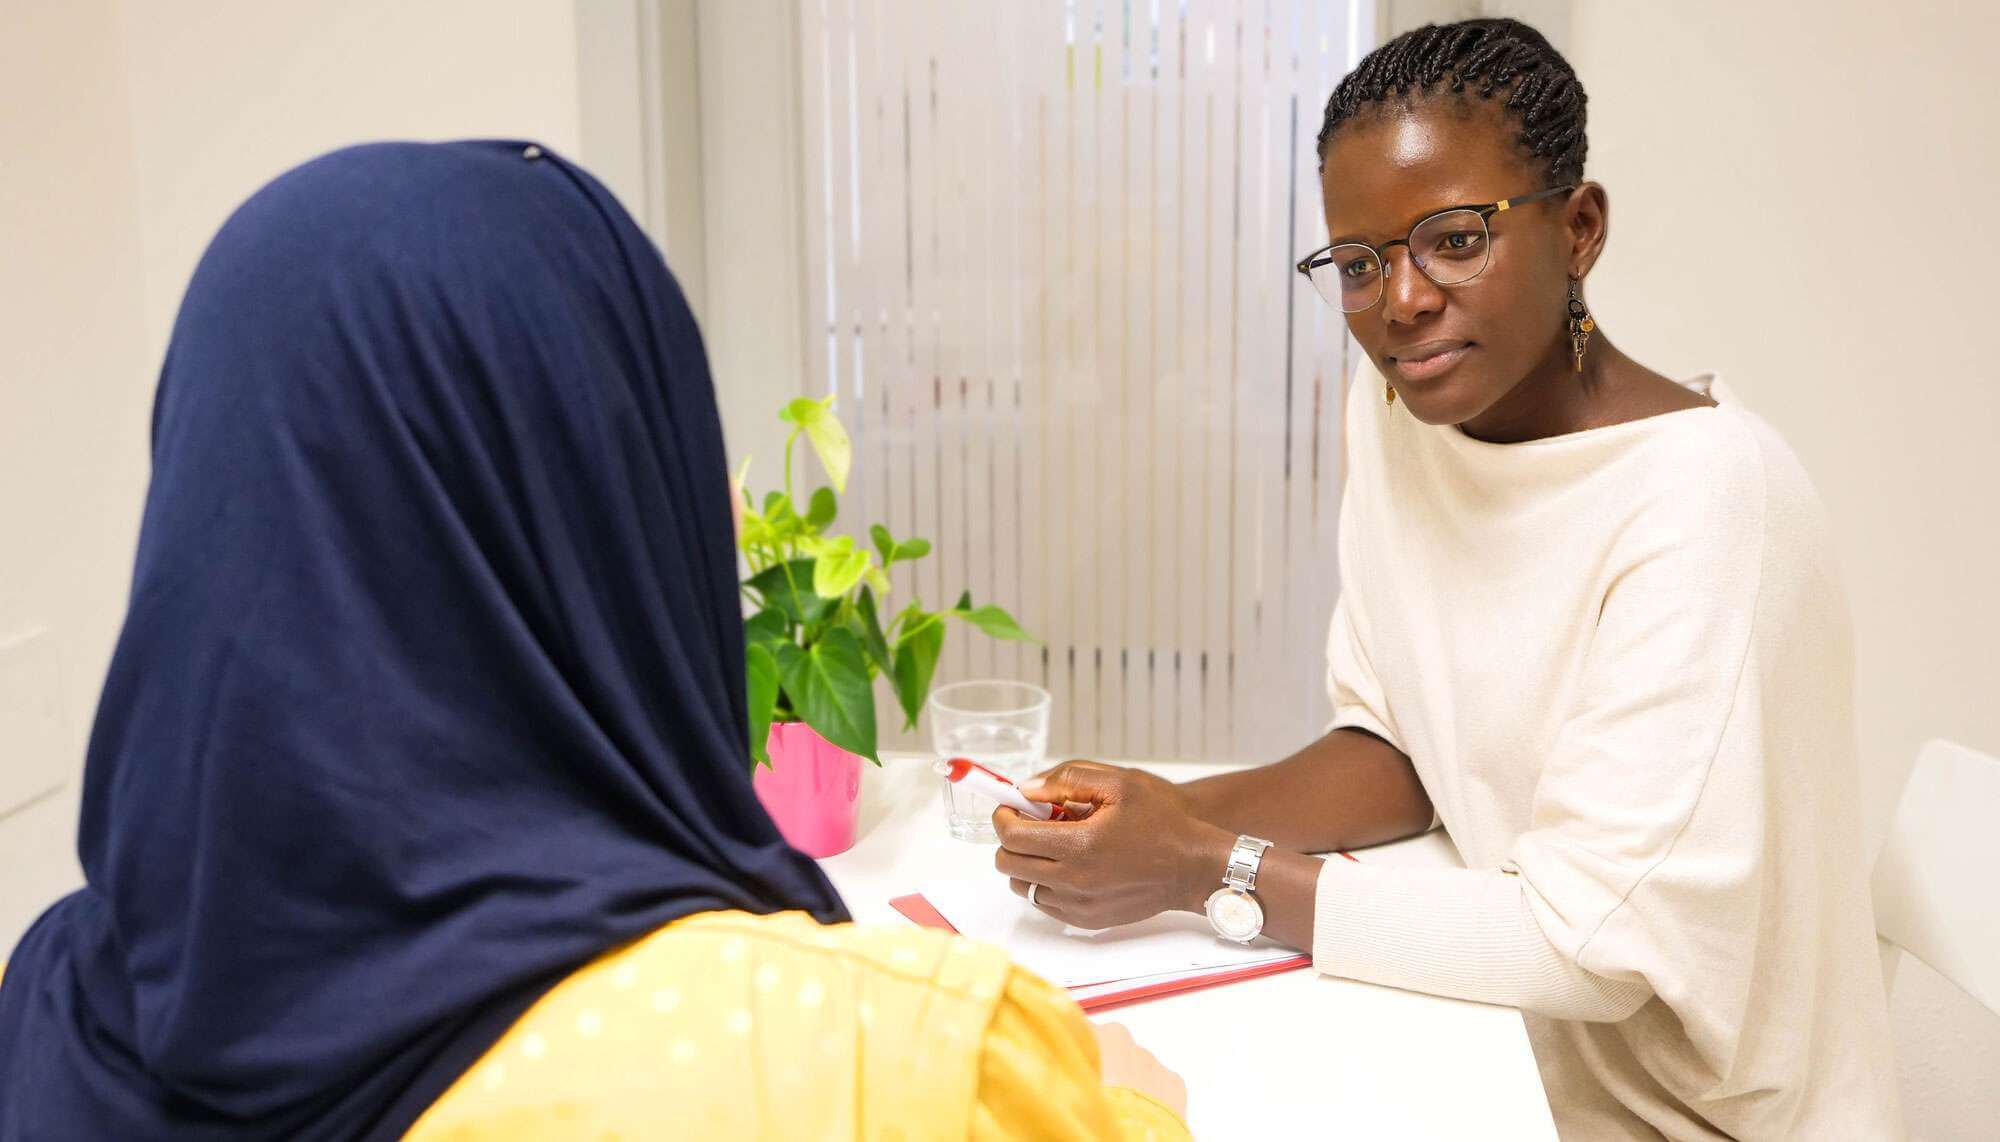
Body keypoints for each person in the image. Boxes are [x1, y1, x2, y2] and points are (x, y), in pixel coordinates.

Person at [0, 141, 1185, 1140]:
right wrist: (1123, 1100)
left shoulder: (50, 1009)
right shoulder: (886, 1069)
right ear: (600, 500)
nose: (721, 498)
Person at [994, 19, 1902, 1139]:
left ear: (1577, 229)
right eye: (1360, 262)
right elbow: (1398, 751)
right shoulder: (1400, 417)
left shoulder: (1706, 505)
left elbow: (1584, 947)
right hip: (1503, 1055)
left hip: (1691, 1117)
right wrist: (1160, 810)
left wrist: (1197, 864)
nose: (1401, 300)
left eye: (1454, 239)